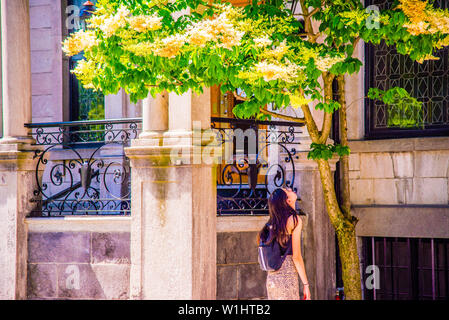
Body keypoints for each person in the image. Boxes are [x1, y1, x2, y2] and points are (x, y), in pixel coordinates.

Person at [258, 187, 311, 300]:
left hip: (272, 280)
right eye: (288, 190)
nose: (291, 189)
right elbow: (296, 257)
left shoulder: (272, 223)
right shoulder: (295, 220)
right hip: (287, 277)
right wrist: (306, 284)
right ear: (288, 200)